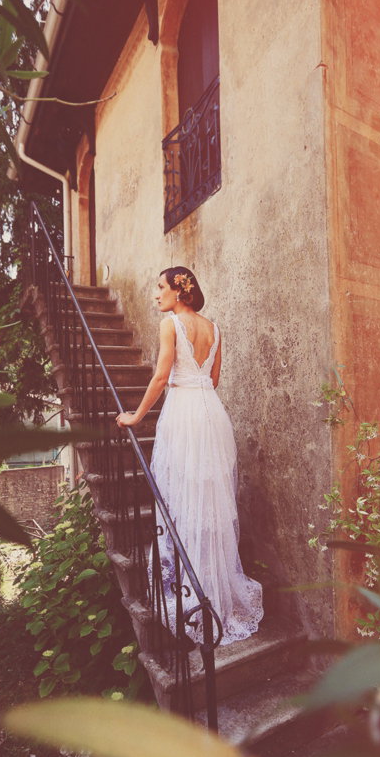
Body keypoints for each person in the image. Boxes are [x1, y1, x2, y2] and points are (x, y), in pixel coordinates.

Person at [116, 266, 263, 645]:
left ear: (179, 292)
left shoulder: (171, 325)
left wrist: (136, 416)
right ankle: (215, 594)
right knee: (210, 503)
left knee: (185, 500)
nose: (155, 294)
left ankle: (198, 598)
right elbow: (213, 380)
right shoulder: (214, 328)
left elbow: (162, 377)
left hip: (183, 414)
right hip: (212, 414)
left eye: (160, 287)